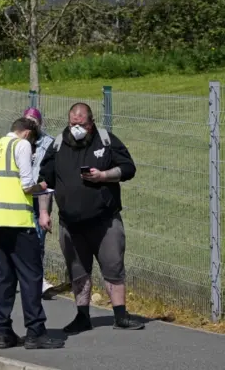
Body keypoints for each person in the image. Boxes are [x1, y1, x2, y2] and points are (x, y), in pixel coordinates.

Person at [38, 103, 143, 333]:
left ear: (91, 122)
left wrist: (103, 176)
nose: (77, 128)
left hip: (105, 221)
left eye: (82, 124)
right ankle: (82, 316)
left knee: (113, 267)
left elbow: (128, 168)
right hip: (71, 224)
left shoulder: (105, 141)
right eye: (73, 124)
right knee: (78, 272)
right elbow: (46, 182)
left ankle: (120, 315)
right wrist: (44, 212)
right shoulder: (57, 145)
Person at [0, 117, 64, 350]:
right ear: (28, 133)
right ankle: (35, 331)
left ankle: (4, 332)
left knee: (4, 279)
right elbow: (27, 184)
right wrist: (43, 187)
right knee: (31, 276)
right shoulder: (22, 145)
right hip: (18, 220)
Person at [23, 107, 57, 299]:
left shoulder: (48, 143)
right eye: (27, 120)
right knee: (24, 240)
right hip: (22, 198)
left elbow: (49, 177)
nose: (31, 124)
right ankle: (28, 277)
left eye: (34, 121)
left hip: (41, 197)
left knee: (39, 241)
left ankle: (38, 279)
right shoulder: (17, 142)